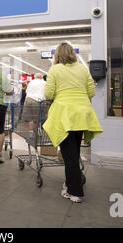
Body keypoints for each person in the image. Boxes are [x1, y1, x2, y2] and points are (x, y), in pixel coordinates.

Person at [43, 43, 103, 204]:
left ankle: (75, 191)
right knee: (73, 152)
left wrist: (61, 93)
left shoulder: (55, 69)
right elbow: (91, 92)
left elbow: (48, 93)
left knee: (69, 156)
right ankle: (70, 183)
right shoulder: (83, 69)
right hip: (82, 114)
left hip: (65, 115)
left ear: (57, 55)